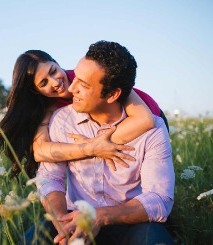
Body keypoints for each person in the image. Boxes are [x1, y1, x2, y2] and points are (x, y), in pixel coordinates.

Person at [24, 41, 175, 245]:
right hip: (74, 217)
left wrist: (99, 216)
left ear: (113, 94)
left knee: (153, 240)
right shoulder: (61, 119)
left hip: (129, 220)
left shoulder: (152, 127)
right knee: (33, 238)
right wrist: (62, 221)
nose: (72, 88)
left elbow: (159, 199)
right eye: (75, 76)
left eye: (84, 84)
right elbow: (50, 177)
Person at [0, 49, 167, 179]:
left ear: (57, 63)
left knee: (153, 177)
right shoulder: (48, 107)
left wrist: (93, 146)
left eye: (53, 71)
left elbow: (145, 120)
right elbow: (41, 151)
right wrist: (92, 149)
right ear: (36, 91)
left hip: (149, 116)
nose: (55, 82)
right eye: (43, 82)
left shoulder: (85, 75)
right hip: (111, 131)